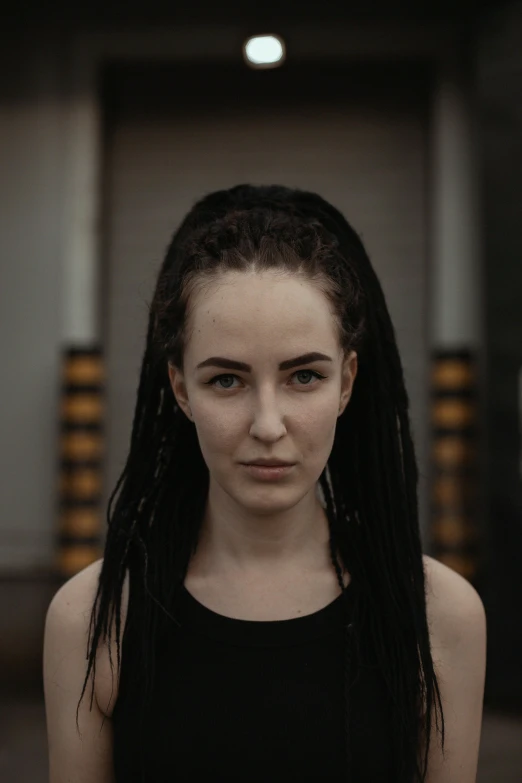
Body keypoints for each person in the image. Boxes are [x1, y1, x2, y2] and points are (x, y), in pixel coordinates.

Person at [43, 184, 486, 782]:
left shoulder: (440, 616)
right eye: (227, 380)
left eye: (304, 375)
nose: (268, 425)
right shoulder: (94, 619)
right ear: (180, 389)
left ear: (347, 383)